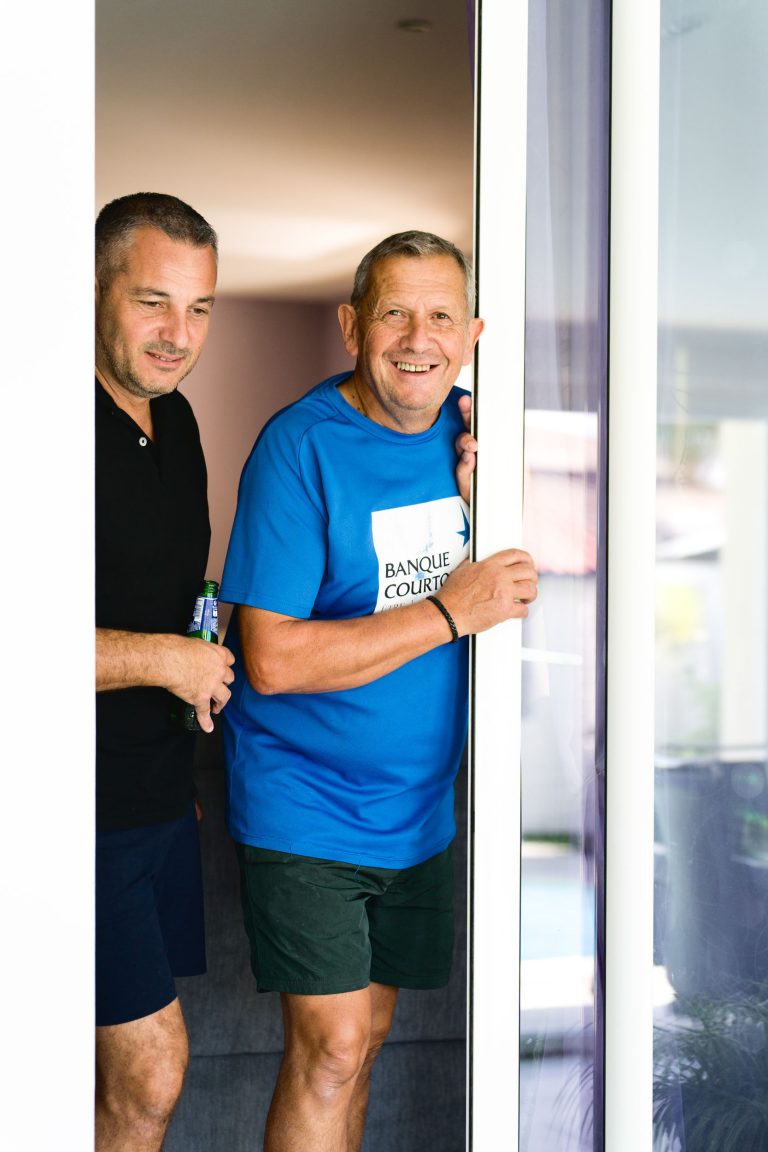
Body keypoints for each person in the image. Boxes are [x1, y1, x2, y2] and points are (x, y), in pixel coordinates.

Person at [219, 230, 538, 1152]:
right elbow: (271, 659)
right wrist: (447, 611)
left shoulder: (477, 433)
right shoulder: (299, 448)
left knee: (368, 1043)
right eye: (394, 311)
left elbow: (515, 583)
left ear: (472, 333)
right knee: (330, 1049)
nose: (417, 336)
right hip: (306, 807)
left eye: (441, 315)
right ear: (353, 325)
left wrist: (489, 503)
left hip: (420, 812)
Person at [94, 192, 235, 1151]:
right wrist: (167, 660)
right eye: (153, 302)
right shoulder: (33, 425)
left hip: (151, 802)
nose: (177, 334)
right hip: (62, 811)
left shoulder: (178, 424)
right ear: (95, 290)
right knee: (151, 1068)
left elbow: (176, 594)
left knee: (115, 1079)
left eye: (199, 309)